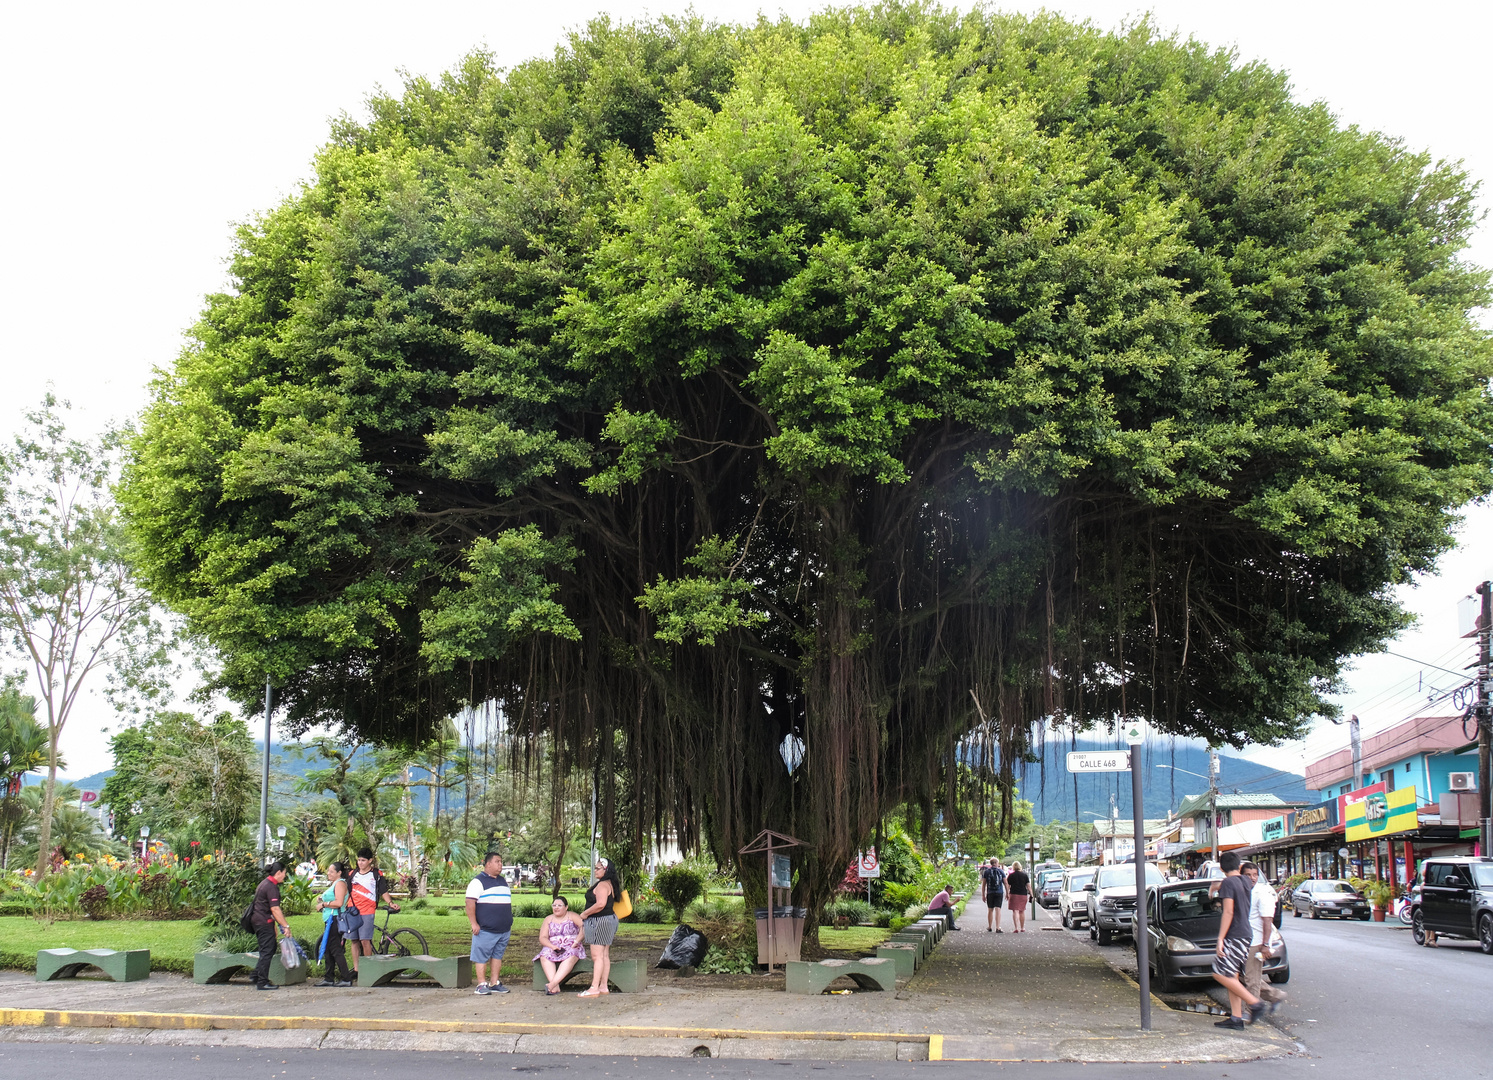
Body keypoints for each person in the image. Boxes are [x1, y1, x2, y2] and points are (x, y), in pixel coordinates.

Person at [1211, 851, 1268, 1029]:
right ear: (1239, 866)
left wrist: (1220, 938)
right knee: (1232, 975)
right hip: (1246, 933)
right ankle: (1236, 1018)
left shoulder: (1228, 883)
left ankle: (1255, 1003)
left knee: (1219, 973)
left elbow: (1228, 911)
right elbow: (1233, 885)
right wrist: (1216, 888)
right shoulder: (1244, 881)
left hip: (1234, 933)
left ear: (1221, 868)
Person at [465, 850, 514, 995]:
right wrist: (474, 924)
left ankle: (494, 982)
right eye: (497, 862)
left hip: (503, 929)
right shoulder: (478, 882)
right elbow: (469, 903)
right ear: (488, 864)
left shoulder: (502, 880)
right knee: (481, 956)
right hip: (486, 929)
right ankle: (481, 984)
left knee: (497, 956)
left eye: (501, 862)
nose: (500, 865)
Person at [347, 847, 399, 979]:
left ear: (370, 861)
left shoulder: (376, 875)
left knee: (365, 940)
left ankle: (368, 968)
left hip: (367, 911)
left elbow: (383, 891)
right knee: (354, 940)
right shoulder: (352, 874)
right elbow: (345, 890)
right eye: (358, 860)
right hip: (352, 911)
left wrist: (390, 903)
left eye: (363, 860)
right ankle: (357, 969)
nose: (360, 863)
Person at [1241, 862, 1286, 1010]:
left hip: (1256, 942)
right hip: (1243, 941)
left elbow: (1267, 920)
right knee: (1242, 976)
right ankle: (1274, 996)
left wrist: (1266, 945)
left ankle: (1251, 1011)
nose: (1252, 878)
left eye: (1255, 875)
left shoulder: (1262, 893)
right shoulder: (1243, 891)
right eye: (1248, 875)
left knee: (1251, 979)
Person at [578, 857, 621, 997]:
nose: (595, 870)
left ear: (606, 870)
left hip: (599, 922)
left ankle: (594, 987)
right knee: (604, 955)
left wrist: (585, 913)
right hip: (608, 920)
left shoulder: (602, 885)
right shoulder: (609, 884)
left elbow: (600, 904)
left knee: (597, 956)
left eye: (598, 868)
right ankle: (603, 986)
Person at [249, 860, 292, 991]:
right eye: (284, 873)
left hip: (260, 921)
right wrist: (286, 926)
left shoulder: (265, 883)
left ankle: (256, 975)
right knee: (267, 951)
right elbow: (275, 909)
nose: (285, 876)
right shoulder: (271, 887)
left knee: (268, 948)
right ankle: (262, 982)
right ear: (278, 873)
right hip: (263, 921)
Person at [534, 895, 587, 994]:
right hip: (554, 946)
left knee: (571, 954)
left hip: (572, 945)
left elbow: (583, 927)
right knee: (545, 955)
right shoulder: (548, 919)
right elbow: (542, 937)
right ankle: (555, 985)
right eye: (554, 905)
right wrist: (552, 946)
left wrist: (576, 941)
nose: (556, 907)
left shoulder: (572, 916)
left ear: (566, 907)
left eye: (559, 905)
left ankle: (552, 985)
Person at [314, 860, 354, 987]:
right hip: (330, 919)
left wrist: (323, 904)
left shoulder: (340, 884)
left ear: (339, 873)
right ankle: (329, 977)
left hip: (335, 919)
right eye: (329, 871)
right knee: (328, 949)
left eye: (332, 871)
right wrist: (322, 898)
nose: (328, 873)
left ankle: (346, 978)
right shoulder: (335, 884)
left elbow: (339, 902)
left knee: (335, 949)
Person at [981, 859, 1007, 932]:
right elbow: (1005, 883)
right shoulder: (1001, 871)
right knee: (998, 909)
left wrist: (983, 894)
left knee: (990, 910)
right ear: (996, 863)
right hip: (999, 892)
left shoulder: (987, 872)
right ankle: (998, 927)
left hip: (990, 892)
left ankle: (989, 926)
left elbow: (984, 884)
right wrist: (1007, 893)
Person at [1006, 861, 1030, 932]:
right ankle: (1022, 928)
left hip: (1014, 894)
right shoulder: (1025, 875)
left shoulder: (1011, 875)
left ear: (1013, 867)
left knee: (1015, 911)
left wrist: (1007, 893)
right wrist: (1031, 894)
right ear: (1020, 866)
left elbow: (1008, 885)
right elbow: (1028, 886)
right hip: (1023, 894)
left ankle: (1016, 928)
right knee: (1022, 911)